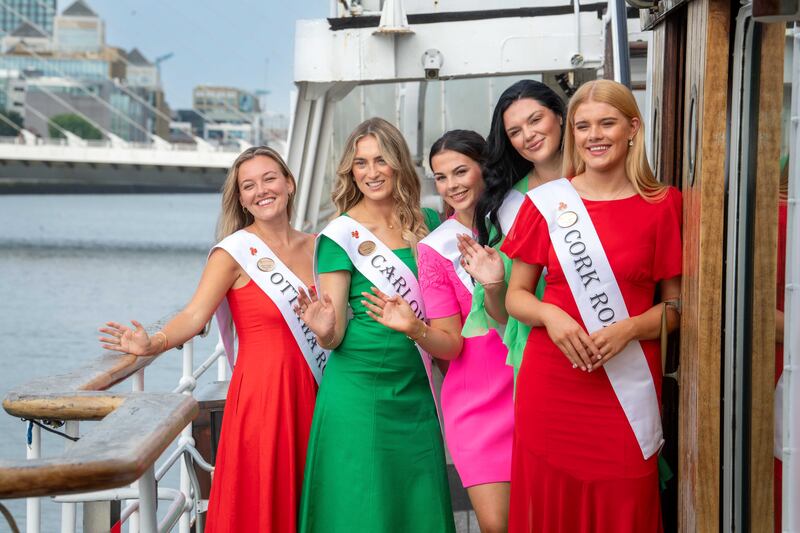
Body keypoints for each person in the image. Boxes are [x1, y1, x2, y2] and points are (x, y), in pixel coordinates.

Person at [98, 147, 323, 533]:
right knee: (260, 500)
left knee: (315, 496)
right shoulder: (233, 253)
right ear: (241, 199)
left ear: (289, 183)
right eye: (248, 186)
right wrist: (152, 343)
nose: (261, 191)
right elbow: (193, 315)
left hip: (319, 391)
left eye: (269, 179)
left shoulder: (320, 246)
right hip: (263, 399)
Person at [501, 79, 682, 532]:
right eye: (584, 126)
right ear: (573, 134)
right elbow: (516, 295)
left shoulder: (663, 204)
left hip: (625, 391)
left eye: (608, 123)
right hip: (552, 383)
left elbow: (677, 308)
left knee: (626, 498)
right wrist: (551, 315)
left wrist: (629, 329)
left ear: (632, 129)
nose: (595, 135)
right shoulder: (546, 204)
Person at [295, 117, 455, 533]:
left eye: (380, 160)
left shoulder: (430, 222)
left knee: (415, 499)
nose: (371, 172)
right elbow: (334, 337)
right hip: (358, 389)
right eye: (361, 163)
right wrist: (321, 326)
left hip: (415, 386)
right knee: (359, 505)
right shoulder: (339, 236)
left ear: (398, 164)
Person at [362, 130, 514, 532]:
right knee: (497, 525)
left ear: (485, 168)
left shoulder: (520, 222)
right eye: (441, 177)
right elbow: (449, 344)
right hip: (476, 401)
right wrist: (415, 329)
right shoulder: (435, 248)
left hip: (532, 383)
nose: (451, 185)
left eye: (460, 171)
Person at [463, 80, 566, 381]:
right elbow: (504, 316)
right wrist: (494, 285)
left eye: (535, 120)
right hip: (541, 355)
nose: (529, 136)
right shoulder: (507, 207)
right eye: (515, 132)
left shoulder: (602, 184)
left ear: (559, 115)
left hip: (609, 343)